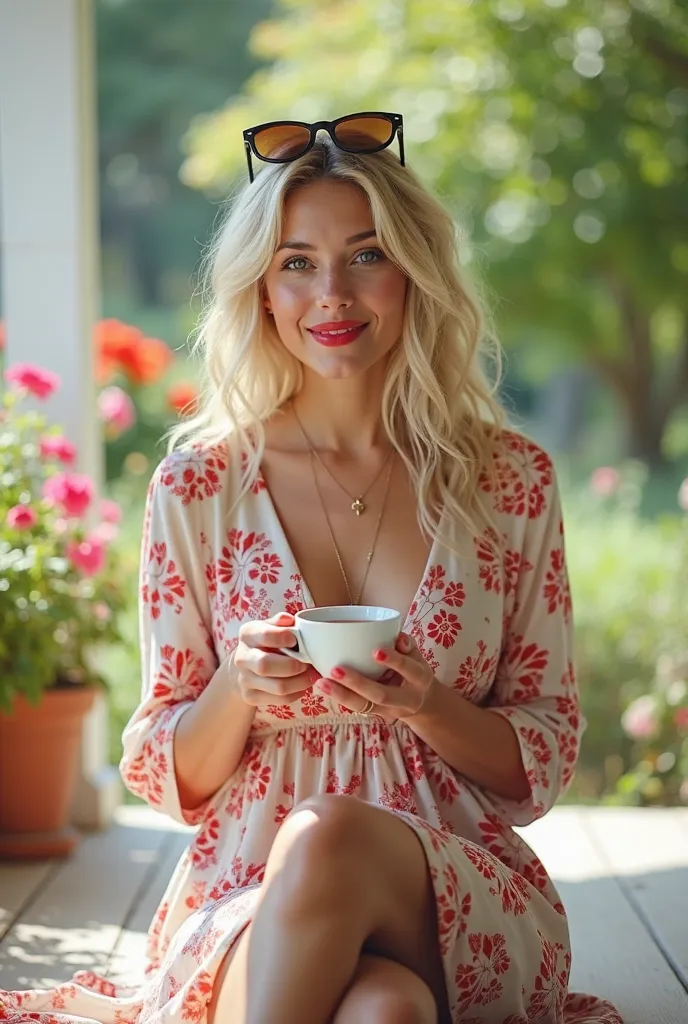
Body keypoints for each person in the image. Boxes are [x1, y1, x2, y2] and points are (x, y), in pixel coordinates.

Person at [0, 113, 623, 1024]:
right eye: (297, 262)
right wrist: (239, 689)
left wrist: (426, 704)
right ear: (260, 289)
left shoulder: (510, 482)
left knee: (328, 835)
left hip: (457, 889)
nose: (331, 293)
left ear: (415, 275)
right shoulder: (201, 484)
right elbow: (170, 775)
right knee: (385, 1013)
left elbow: (542, 755)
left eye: (366, 256)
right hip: (244, 889)